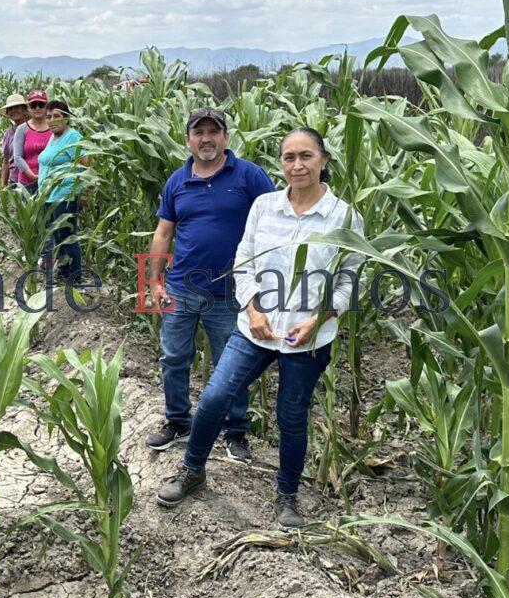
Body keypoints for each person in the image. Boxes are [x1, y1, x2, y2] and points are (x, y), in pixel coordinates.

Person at [156, 127, 364, 527]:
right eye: (289, 157)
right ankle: (193, 471)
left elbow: (351, 278)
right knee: (215, 397)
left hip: (308, 339)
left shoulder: (345, 217)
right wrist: (252, 309)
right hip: (255, 329)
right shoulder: (265, 207)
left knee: (291, 416)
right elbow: (244, 261)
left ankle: (287, 496)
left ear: (323, 160)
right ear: (281, 163)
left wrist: (320, 317)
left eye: (306, 156)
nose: (297, 165)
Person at [144, 107, 275, 462]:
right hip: (181, 287)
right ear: (187, 140)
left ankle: (235, 430)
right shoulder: (177, 180)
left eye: (212, 131)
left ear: (225, 137)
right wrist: (154, 281)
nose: (206, 138)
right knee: (173, 357)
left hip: (233, 291)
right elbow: (163, 233)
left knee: (230, 364)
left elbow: (275, 221)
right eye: (198, 132)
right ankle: (177, 420)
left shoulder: (249, 175)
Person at [37, 100, 86, 282]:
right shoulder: (53, 137)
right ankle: (64, 271)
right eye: (48, 117)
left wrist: (84, 193)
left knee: (67, 236)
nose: (51, 120)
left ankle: (75, 276)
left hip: (64, 195)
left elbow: (85, 164)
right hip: (50, 196)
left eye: (56, 116)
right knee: (58, 235)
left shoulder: (73, 137)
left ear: (66, 117)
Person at [12, 90, 53, 195]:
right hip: (27, 185)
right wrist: (33, 176)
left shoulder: (54, 127)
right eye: (33, 105)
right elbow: (17, 157)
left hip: (50, 183)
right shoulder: (22, 129)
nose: (37, 108)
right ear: (28, 108)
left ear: (47, 107)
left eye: (41, 104)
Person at [0, 94, 29, 187]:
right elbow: (6, 161)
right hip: (15, 181)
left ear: (24, 110)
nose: (13, 110)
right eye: (10, 109)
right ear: (7, 113)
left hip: (33, 181)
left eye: (16, 107)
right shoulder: (8, 134)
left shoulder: (33, 129)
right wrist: (4, 185)